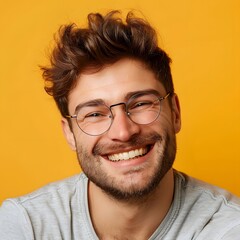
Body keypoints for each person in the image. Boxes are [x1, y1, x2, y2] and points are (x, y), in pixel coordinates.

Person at [0, 10, 240, 240]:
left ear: (175, 112)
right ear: (69, 133)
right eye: (94, 114)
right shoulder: (25, 225)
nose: (123, 132)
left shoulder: (228, 227)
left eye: (140, 104)